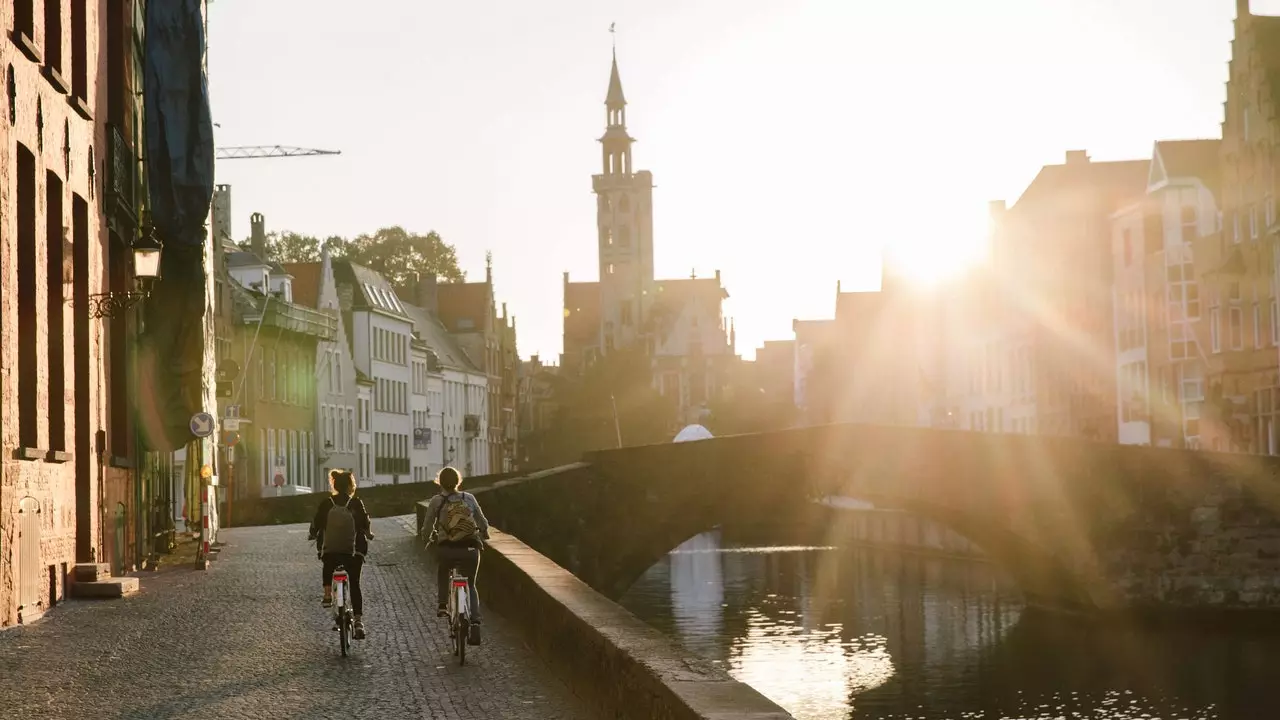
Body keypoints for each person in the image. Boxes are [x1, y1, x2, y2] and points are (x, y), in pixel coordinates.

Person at [308, 469, 374, 640]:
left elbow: (316, 523)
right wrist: (368, 534)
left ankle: (328, 595)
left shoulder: (326, 504)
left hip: (331, 551)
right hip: (354, 551)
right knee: (355, 582)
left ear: (335, 485)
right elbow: (365, 523)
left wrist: (313, 534)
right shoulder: (356, 503)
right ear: (351, 485)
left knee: (328, 564)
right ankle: (358, 621)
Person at [425, 466, 490, 626]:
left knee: (443, 569)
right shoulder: (468, 498)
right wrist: (484, 533)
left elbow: (427, 527)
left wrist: (426, 539)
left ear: (439, 482)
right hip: (470, 549)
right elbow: (483, 522)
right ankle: (475, 620)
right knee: (471, 584)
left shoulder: (436, 501)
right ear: (458, 481)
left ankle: (442, 604)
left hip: (447, 550)